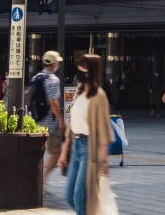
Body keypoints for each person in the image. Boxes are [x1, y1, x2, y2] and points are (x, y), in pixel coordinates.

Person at [60, 53, 113, 215]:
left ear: (92, 71)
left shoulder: (99, 96)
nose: (80, 71)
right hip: (75, 147)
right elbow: (72, 124)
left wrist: (104, 160)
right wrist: (64, 150)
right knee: (70, 196)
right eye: (79, 67)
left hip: (90, 149)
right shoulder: (79, 91)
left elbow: (104, 130)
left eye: (84, 68)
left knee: (79, 197)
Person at [29, 51, 67, 187]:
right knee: (56, 152)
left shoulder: (36, 77)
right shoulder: (53, 79)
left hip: (35, 119)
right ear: (54, 64)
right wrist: (61, 121)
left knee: (37, 151)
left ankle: (35, 177)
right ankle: (42, 179)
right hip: (49, 121)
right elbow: (53, 102)